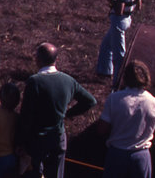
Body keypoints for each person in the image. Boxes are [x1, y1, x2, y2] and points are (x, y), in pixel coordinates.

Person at [19, 42, 97, 178]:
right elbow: (90, 101)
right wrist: (68, 113)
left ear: (37, 59)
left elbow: (26, 115)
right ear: (56, 60)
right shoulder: (68, 80)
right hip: (58, 138)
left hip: (38, 140)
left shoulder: (34, 82)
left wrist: (21, 141)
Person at [97, 60, 155, 178]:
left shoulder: (114, 98)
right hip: (141, 157)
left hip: (117, 155)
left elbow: (102, 130)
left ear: (125, 77)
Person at [97, 0, 141, 88]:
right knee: (106, 46)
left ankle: (118, 81)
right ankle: (104, 71)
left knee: (119, 54)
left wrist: (111, 0)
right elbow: (139, 5)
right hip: (128, 18)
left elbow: (119, 10)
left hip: (119, 21)